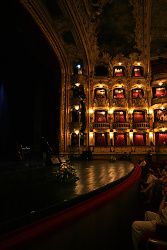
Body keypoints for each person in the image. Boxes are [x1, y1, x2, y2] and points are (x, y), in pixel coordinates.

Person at [132, 183, 167, 250]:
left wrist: (164, 197)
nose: (164, 188)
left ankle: (137, 247)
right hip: (162, 220)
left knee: (135, 225)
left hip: (161, 227)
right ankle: (145, 237)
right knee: (147, 213)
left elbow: (160, 212)